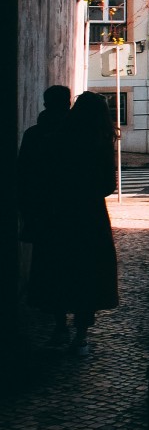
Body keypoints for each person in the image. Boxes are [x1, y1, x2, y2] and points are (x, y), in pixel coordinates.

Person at [29, 91, 120, 356]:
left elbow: (41, 178)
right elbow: (107, 185)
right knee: (87, 275)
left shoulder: (55, 139)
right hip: (89, 217)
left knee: (57, 270)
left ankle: (60, 329)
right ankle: (81, 337)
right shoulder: (99, 141)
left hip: (58, 215)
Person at [20, 86, 74, 344]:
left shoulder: (33, 134)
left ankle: (59, 320)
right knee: (70, 266)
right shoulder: (75, 134)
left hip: (43, 213)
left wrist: (27, 212)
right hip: (70, 214)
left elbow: (23, 176)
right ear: (67, 103)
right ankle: (74, 323)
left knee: (49, 266)